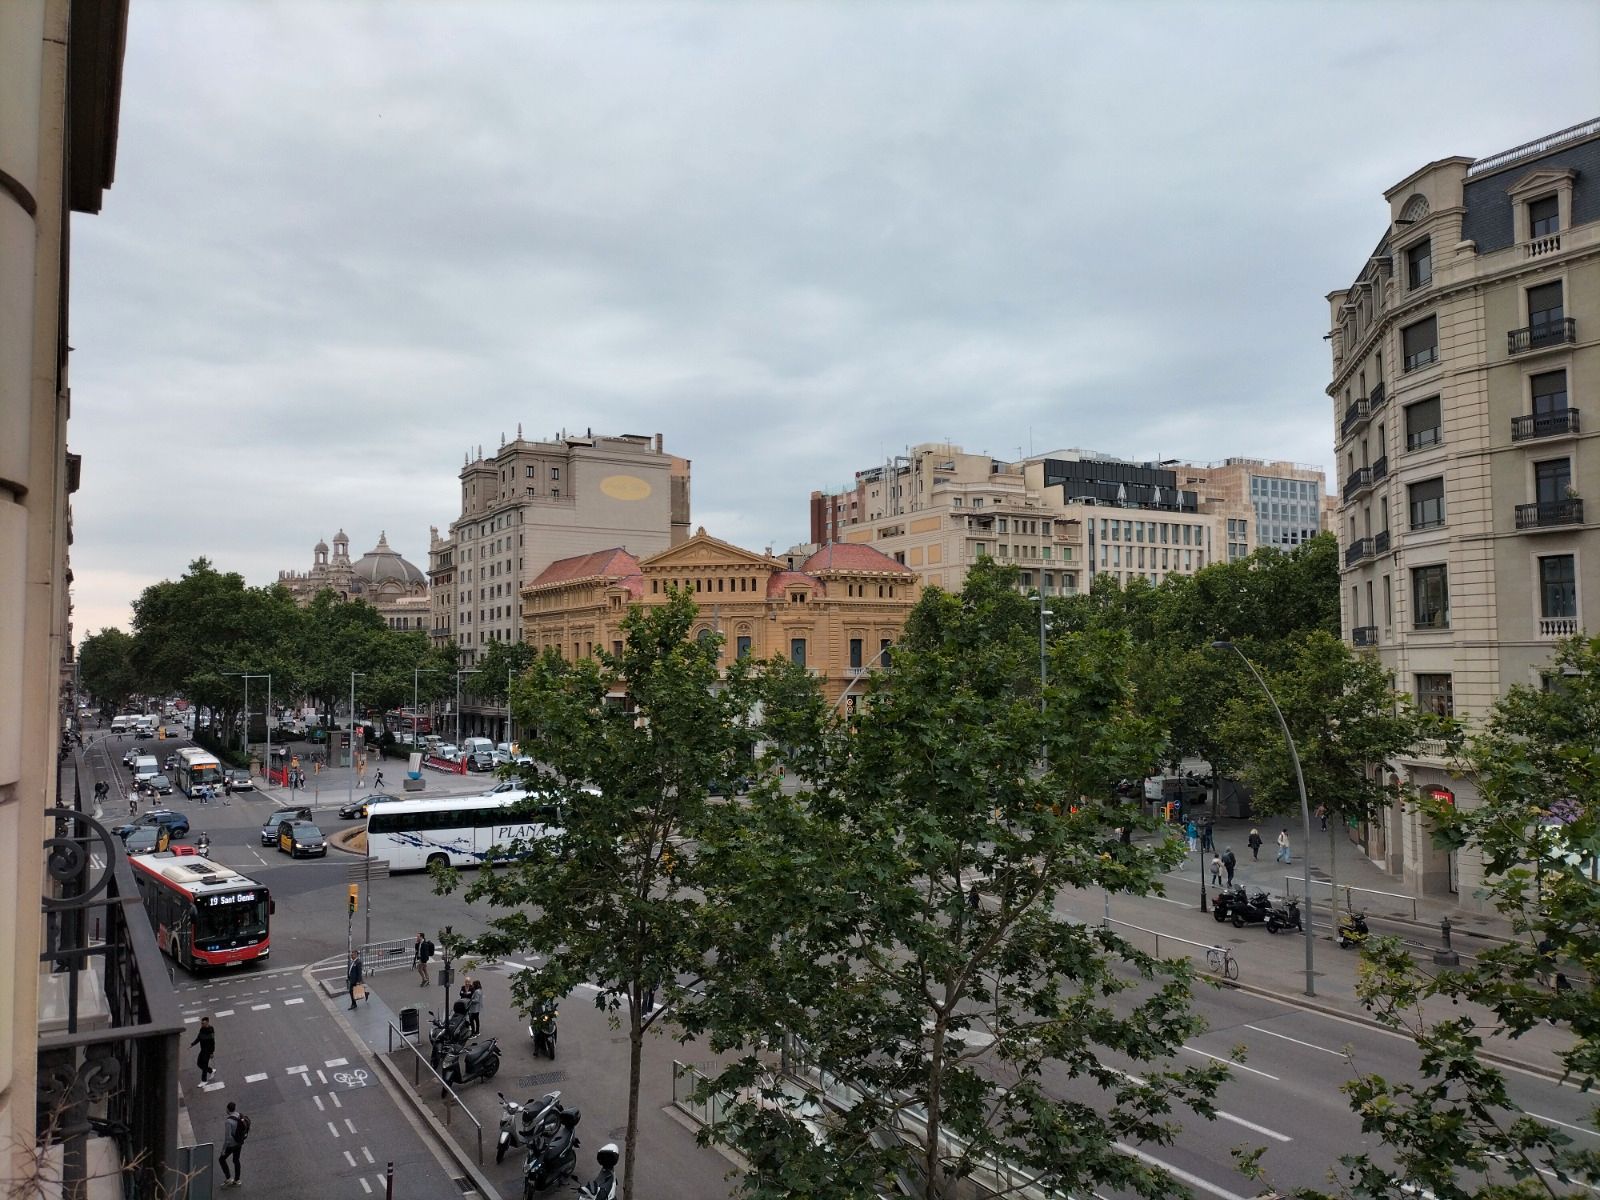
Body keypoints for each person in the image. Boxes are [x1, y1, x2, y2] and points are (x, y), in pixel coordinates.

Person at [219, 1102, 244, 1187]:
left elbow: (228, 1138)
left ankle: (229, 1178)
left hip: (232, 1145)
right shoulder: (239, 1115)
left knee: (221, 1159)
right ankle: (237, 1180)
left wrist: (223, 1150)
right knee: (236, 1160)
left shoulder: (228, 1121)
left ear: (228, 1109)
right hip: (239, 1142)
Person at [191, 1015, 216, 1082]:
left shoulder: (211, 1030)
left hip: (207, 1051)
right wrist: (192, 1044)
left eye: (203, 1023)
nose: (201, 1024)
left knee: (204, 1065)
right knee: (199, 1064)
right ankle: (211, 1071)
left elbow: (212, 1042)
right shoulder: (202, 1029)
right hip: (202, 1050)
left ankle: (203, 1081)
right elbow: (199, 1038)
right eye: (201, 1023)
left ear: (207, 1022)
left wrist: (211, 1052)